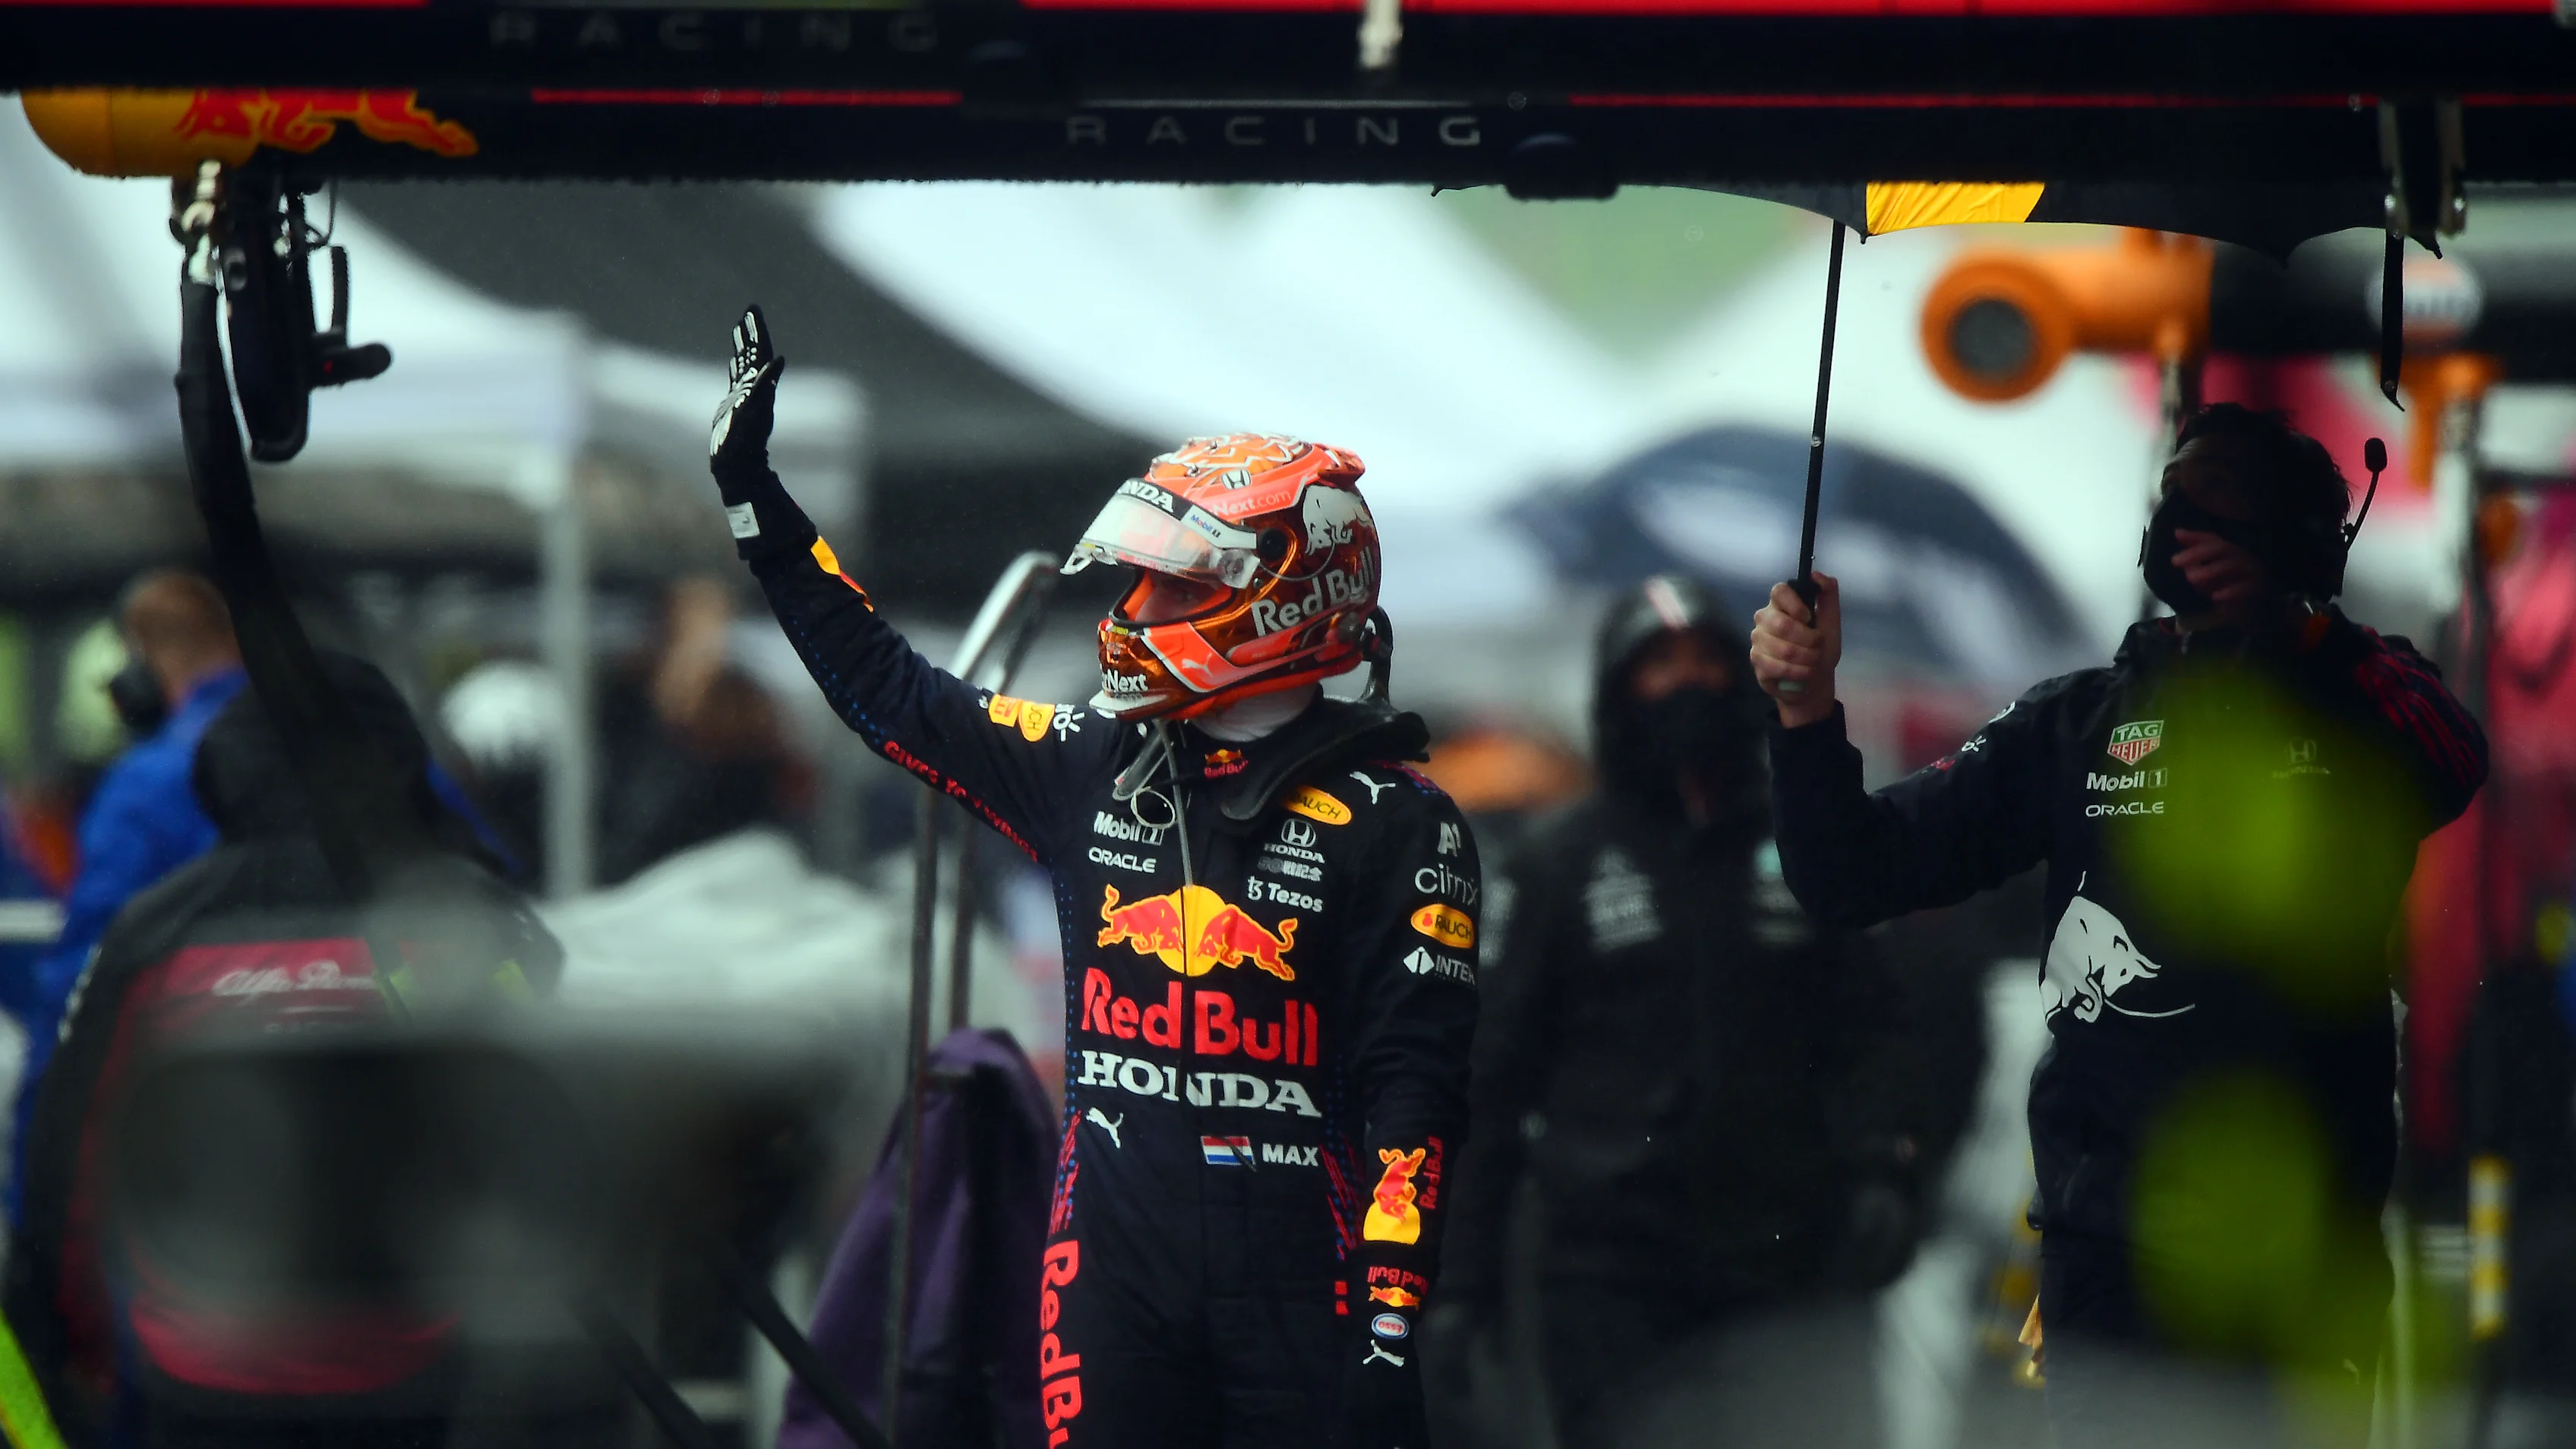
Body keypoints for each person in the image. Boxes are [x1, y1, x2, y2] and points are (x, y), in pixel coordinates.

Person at [706, 307, 1477, 1449]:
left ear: (1287, 594)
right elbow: (894, 690)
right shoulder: (1089, 760)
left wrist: (1391, 1330)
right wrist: (755, 503)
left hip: (1307, 1302)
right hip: (1111, 1287)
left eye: (1172, 587)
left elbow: (1418, 1097)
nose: (1133, 613)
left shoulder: (1407, 827)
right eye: (1139, 581)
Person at [1750, 403, 2489, 1449]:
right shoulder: (2075, 722)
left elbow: (2455, 760)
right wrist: (1806, 712)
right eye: (2173, 488)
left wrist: (2299, 633)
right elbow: (1847, 874)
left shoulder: (2357, 694)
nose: (2185, 510)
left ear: (2293, 536)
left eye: (2220, 491)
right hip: (2114, 1248)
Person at [4, 652, 564, 1449]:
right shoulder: (464, 914)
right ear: (393, 763)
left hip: (198, 1367)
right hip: (415, 1365)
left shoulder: (154, 932)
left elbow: (75, 1155)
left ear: (224, 771)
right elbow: (546, 1122)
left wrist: (72, 1342)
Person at [1434, 574, 1918, 1449]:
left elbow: (1880, 1024)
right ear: (1617, 691)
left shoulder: (1807, 842)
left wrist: (1886, 1165)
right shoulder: (1558, 864)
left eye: (1704, 660)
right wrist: (1459, 1288)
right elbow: (1490, 1085)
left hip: (1791, 1264)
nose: (1686, 682)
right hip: (1608, 1276)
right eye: (1658, 665)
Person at [12, 572, 245, 1211]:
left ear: (139, 669)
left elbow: (81, 985)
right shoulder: (365, 748)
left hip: (186, 1121)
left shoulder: (146, 787)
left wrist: (31, 1191)